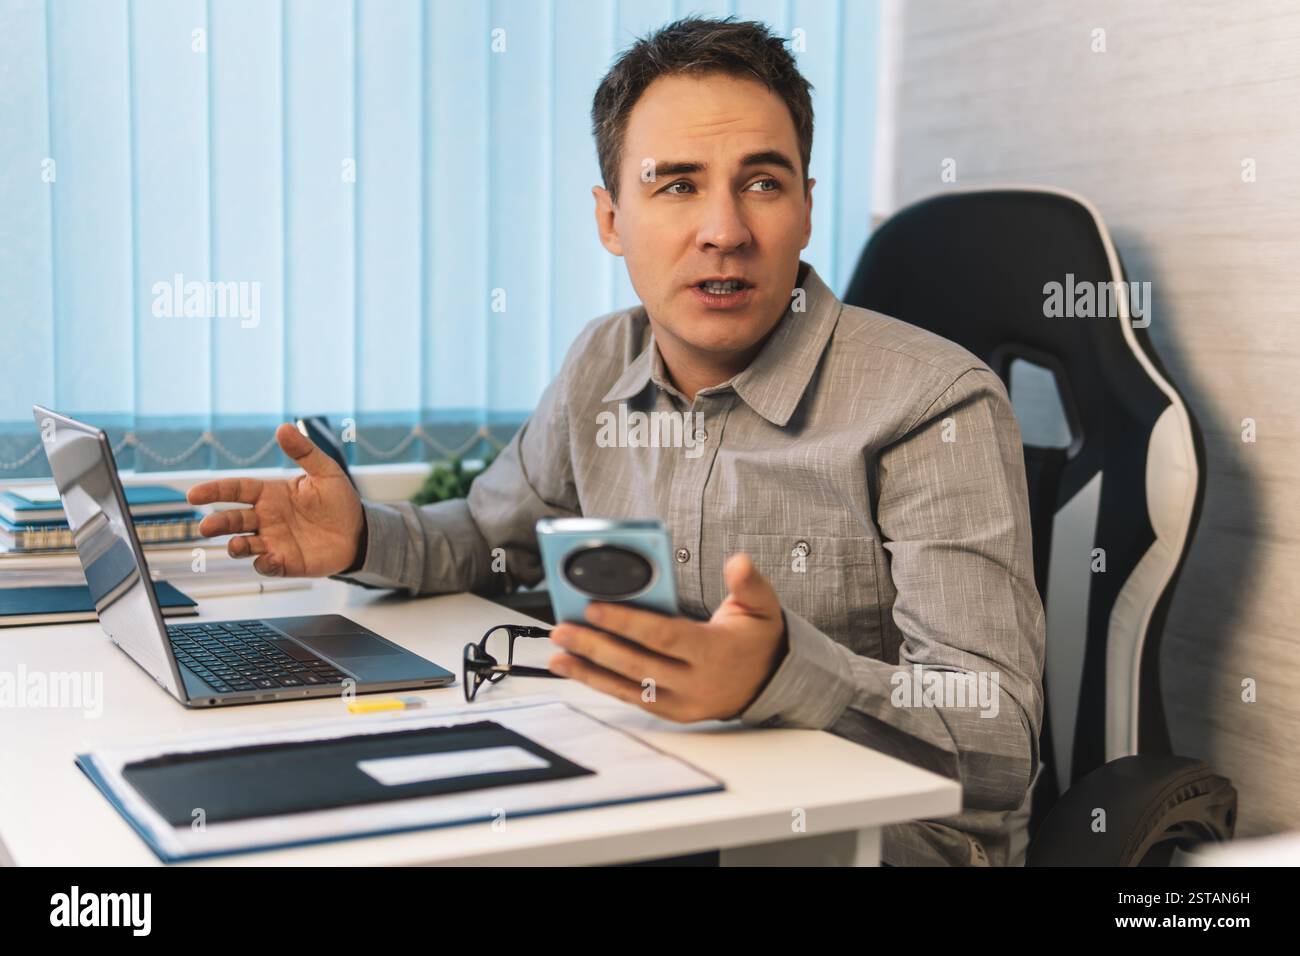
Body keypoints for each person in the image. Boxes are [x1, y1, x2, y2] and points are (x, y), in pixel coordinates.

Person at [189, 17, 1045, 866]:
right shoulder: (604, 360)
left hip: (864, 837)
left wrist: (779, 673)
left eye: (762, 183)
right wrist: (365, 537)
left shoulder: (933, 401)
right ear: (610, 219)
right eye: (676, 185)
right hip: (653, 780)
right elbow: (492, 540)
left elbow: (998, 736)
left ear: (807, 208)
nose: (724, 230)